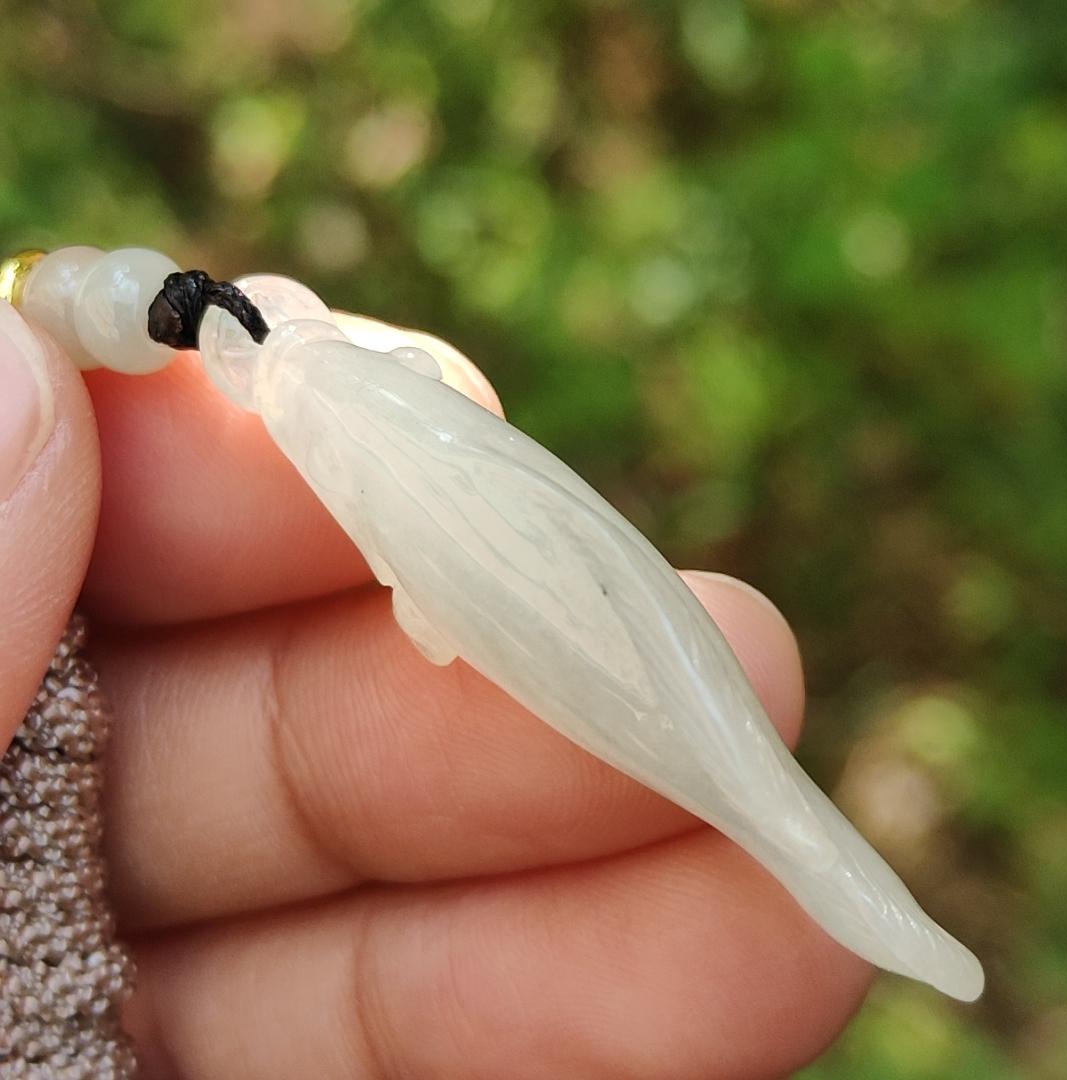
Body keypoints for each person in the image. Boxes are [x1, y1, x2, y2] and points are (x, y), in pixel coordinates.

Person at [0, 297, 872, 1077]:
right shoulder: (331, 395)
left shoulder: (321, 405)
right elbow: (406, 544)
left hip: (536, 562)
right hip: (529, 562)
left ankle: (819, 862)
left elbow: (407, 558)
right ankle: (819, 862)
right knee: (701, 721)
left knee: (695, 704)